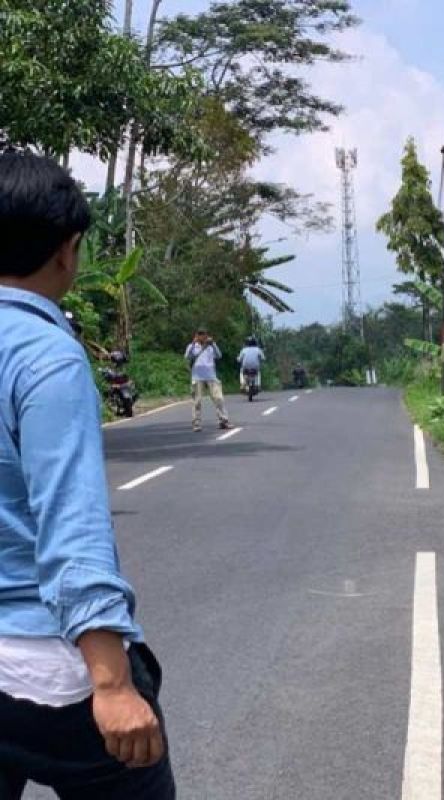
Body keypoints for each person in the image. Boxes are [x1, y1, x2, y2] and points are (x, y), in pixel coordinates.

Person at [0, 152, 173, 797]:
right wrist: (111, 682)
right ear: (68, 251)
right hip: (48, 671)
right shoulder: (45, 355)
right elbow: (70, 526)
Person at [184, 329, 230, 432]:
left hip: (211, 376)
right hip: (197, 376)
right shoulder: (192, 346)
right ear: (196, 335)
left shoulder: (210, 346)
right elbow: (187, 356)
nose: (202, 337)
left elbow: (219, 355)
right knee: (197, 401)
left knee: (218, 398)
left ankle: (223, 420)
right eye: (199, 334)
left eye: (203, 334)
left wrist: (213, 344)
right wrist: (193, 343)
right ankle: (196, 423)